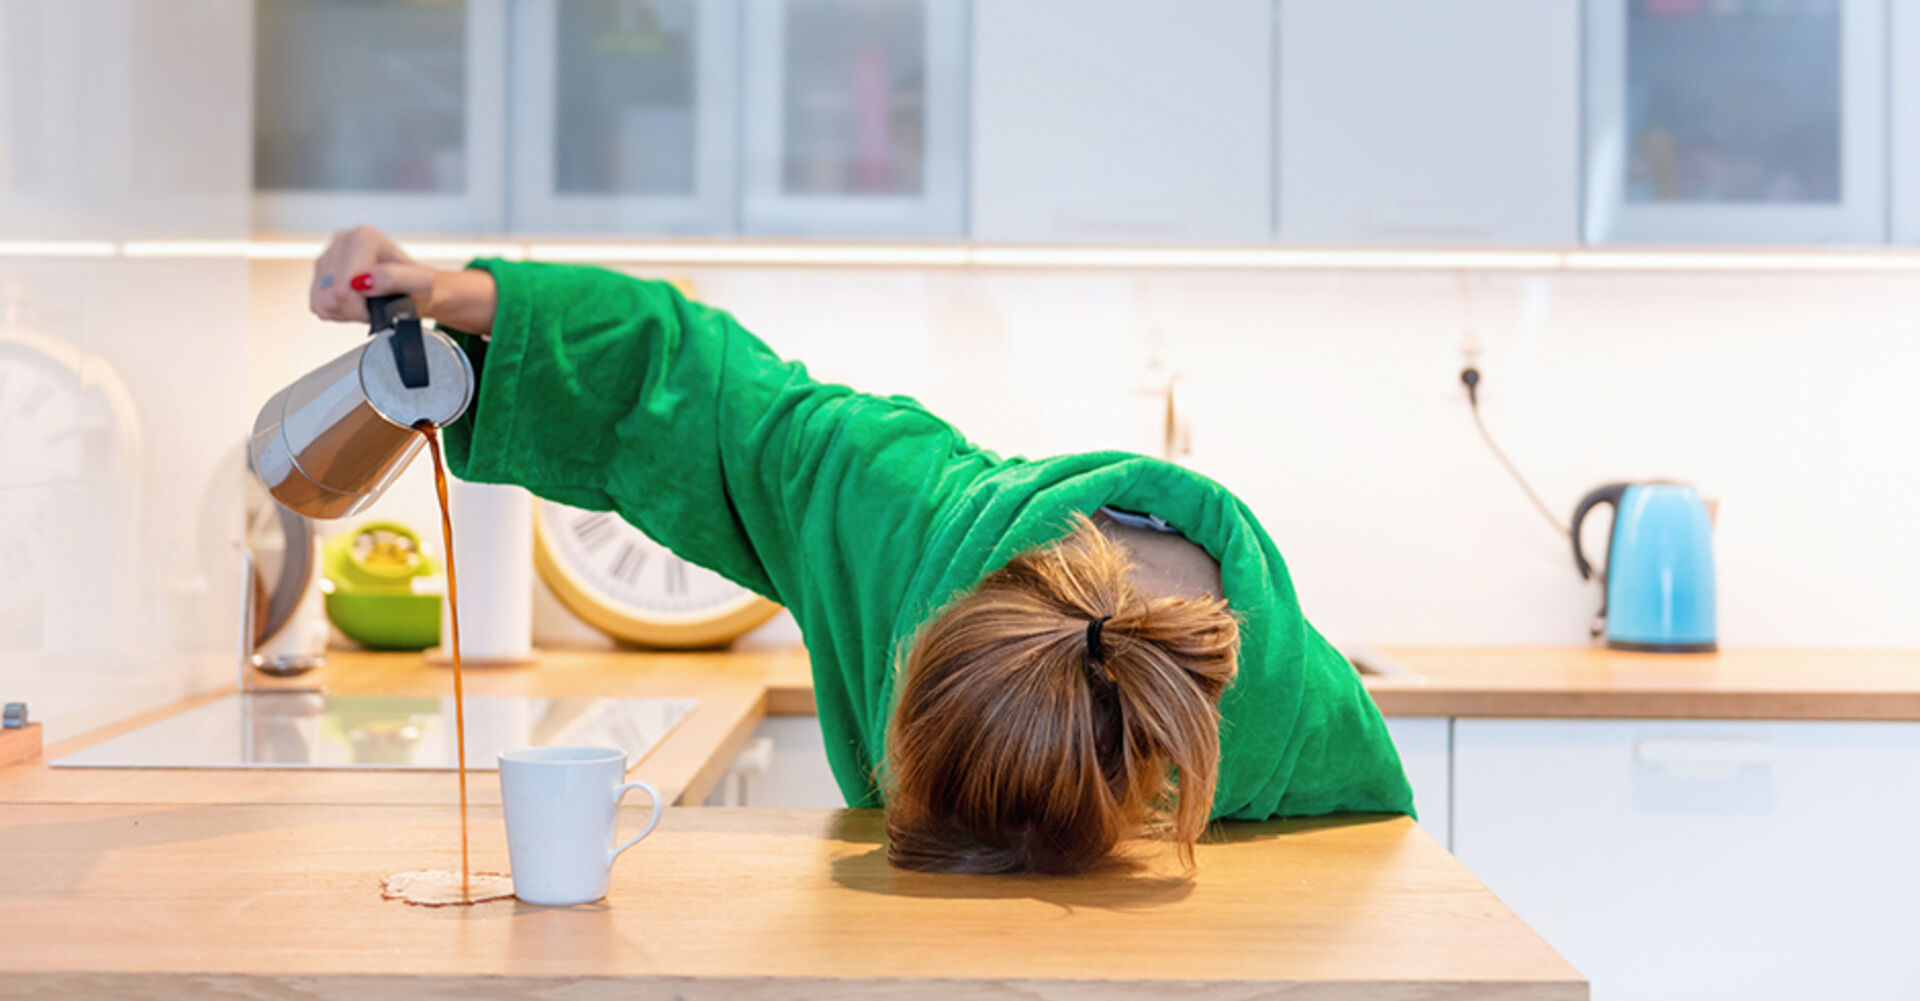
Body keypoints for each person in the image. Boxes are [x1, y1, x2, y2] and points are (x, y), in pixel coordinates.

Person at [309, 226, 1413, 875]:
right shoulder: (894, 514)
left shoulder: (1294, 723)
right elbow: (697, 383)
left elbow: (1368, 895)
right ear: (916, 636)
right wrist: (464, 297)